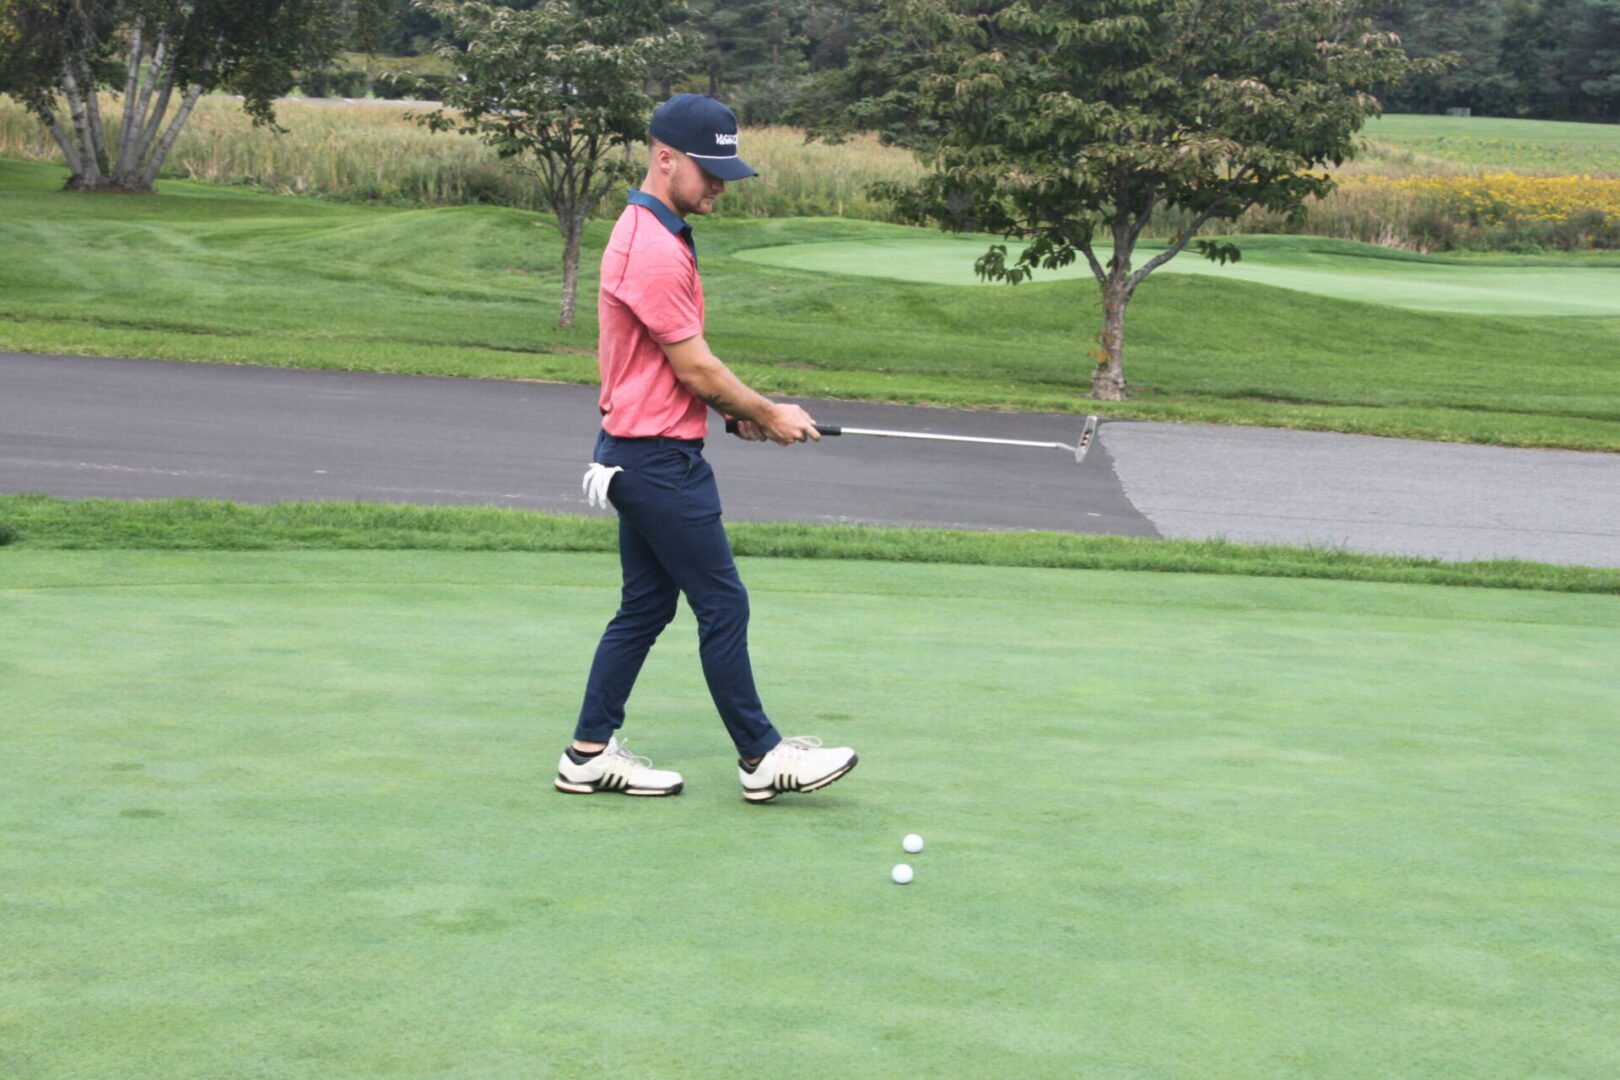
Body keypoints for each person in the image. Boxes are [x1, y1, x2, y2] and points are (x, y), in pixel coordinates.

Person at [556, 94, 858, 803]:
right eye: (710, 171)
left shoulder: (656, 230)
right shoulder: (653, 247)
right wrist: (766, 412)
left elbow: (672, 368)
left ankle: (587, 754)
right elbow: (695, 368)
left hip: (641, 449)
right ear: (665, 159)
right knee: (722, 603)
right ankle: (761, 756)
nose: (721, 185)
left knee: (645, 608)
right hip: (658, 461)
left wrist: (732, 413)